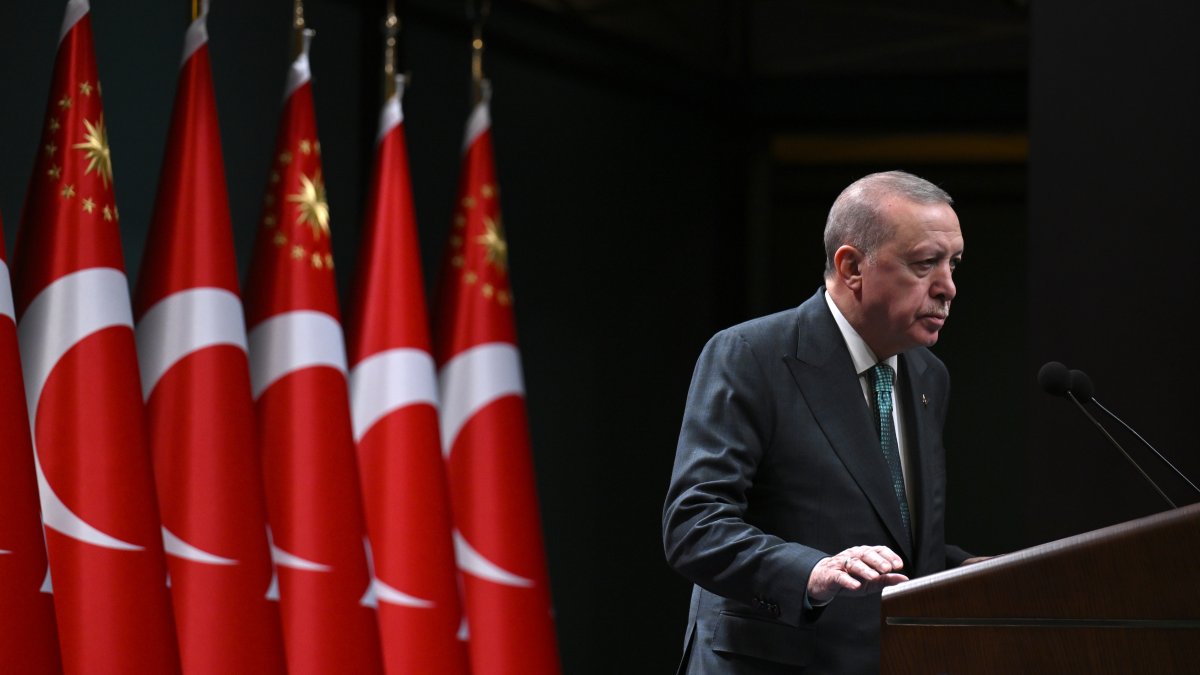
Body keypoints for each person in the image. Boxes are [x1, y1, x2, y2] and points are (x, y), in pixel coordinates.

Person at [662, 170, 977, 674]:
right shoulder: (752, 355)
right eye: (925, 264)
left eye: (953, 264)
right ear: (851, 266)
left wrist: (966, 570)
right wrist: (810, 571)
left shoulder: (926, 375)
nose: (948, 288)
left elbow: (890, 536)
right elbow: (695, 526)